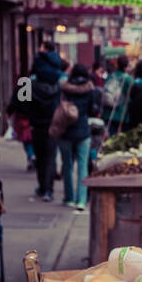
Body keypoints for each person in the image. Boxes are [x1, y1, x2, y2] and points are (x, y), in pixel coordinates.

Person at [56, 63, 103, 211]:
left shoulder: (64, 89)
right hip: (83, 131)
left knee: (67, 165)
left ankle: (69, 198)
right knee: (83, 167)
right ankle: (81, 200)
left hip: (65, 131)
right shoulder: (90, 90)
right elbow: (92, 110)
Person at [26, 42, 66, 201]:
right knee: (50, 156)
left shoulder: (28, 80)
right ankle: (49, 190)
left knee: (40, 156)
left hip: (36, 124)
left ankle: (42, 186)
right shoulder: (61, 80)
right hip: (54, 123)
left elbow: (22, 102)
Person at [103, 54, 133, 134]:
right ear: (126, 65)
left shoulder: (109, 77)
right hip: (122, 114)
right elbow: (130, 96)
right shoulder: (128, 79)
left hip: (108, 113)